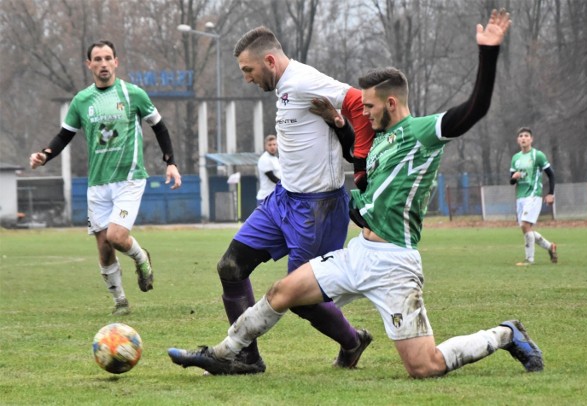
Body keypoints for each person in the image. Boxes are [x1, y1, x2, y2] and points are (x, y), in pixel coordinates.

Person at [169, 9, 544, 379]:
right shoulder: (378, 140)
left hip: (395, 264)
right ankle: (223, 353)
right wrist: (337, 125)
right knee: (283, 291)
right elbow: (355, 155)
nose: (359, 112)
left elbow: (475, 109)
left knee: (423, 367)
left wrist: (488, 52)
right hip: (358, 252)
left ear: (391, 104)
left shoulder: (423, 133)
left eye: (367, 107)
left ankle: (505, 333)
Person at [194, 26, 376, 375]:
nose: (247, 78)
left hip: (318, 208)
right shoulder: (284, 89)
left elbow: (359, 101)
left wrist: (362, 161)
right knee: (230, 267)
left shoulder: (306, 80)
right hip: (282, 201)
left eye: (248, 70)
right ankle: (247, 358)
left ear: (270, 60)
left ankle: (352, 341)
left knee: (299, 298)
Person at [29, 40, 182, 316]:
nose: (103, 64)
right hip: (97, 184)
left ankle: (141, 258)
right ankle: (120, 302)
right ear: (89, 64)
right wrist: (45, 154)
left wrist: (170, 162)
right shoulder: (82, 100)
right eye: (97, 59)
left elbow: (159, 126)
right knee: (103, 248)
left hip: (129, 178)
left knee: (117, 236)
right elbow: (65, 135)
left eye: (107, 58)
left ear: (116, 62)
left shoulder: (132, 93)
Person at [510, 127, 558, 266]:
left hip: (533, 194)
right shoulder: (516, 158)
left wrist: (550, 193)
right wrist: (514, 177)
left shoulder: (538, 155)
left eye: (526, 136)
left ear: (531, 139)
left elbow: (551, 174)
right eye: (521, 136)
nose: (523, 138)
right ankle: (550, 247)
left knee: (525, 225)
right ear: (518, 140)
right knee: (526, 228)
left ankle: (529, 260)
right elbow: (511, 181)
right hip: (520, 196)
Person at [256, 134, 280, 205]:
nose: (272, 147)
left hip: (275, 197)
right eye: (269, 145)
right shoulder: (264, 159)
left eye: (274, 144)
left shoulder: (276, 159)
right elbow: (272, 177)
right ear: (265, 146)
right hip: (266, 198)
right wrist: (285, 186)